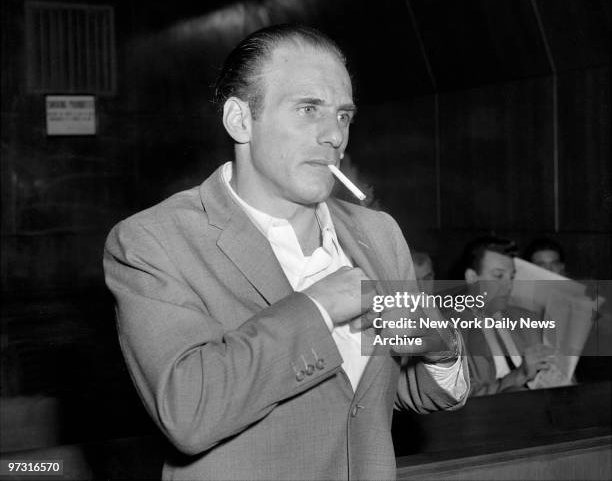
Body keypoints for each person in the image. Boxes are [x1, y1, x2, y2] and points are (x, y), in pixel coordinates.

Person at [103, 24, 468, 481]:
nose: (334, 135)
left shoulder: (378, 234)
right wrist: (319, 308)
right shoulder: (155, 241)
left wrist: (441, 345)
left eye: (343, 115)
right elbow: (189, 411)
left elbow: (398, 392)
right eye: (308, 109)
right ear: (240, 120)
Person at [447, 236, 557, 396]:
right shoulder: (447, 330)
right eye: (498, 276)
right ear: (472, 277)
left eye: (511, 277)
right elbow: (461, 397)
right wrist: (520, 375)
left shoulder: (528, 318)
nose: (509, 285)